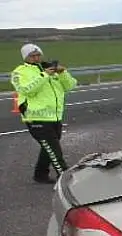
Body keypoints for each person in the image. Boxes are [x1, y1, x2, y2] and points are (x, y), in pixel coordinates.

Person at [10, 43, 77, 184]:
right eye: (32, 56)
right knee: (55, 152)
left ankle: (40, 175)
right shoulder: (19, 72)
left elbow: (70, 86)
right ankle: (67, 181)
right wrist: (44, 75)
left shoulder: (49, 70)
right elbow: (26, 90)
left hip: (55, 117)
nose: (36, 58)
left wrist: (63, 73)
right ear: (25, 57)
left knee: (48, 149)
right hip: (36, 118)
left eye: (38, 55)